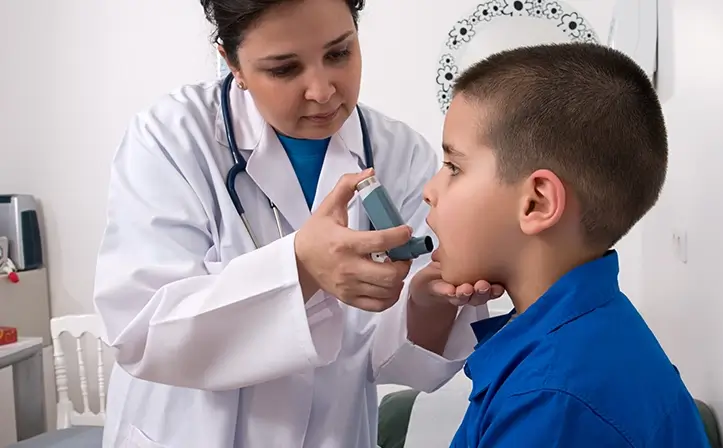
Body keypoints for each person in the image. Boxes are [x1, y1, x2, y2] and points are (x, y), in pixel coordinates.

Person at [92, 0, 499, 446]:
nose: (322, 91)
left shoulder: (397, 151)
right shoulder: (171, 139)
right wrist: (301, 267)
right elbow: (141, 331)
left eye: (339, 54)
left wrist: (427, 302)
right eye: (285, 69)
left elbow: (399, 362)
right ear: (232, 63)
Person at [422, 43, 711, 447]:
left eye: (453, 167)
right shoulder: (587, 335)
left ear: (536, 202)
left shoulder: (553, 402)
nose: (429, 191)